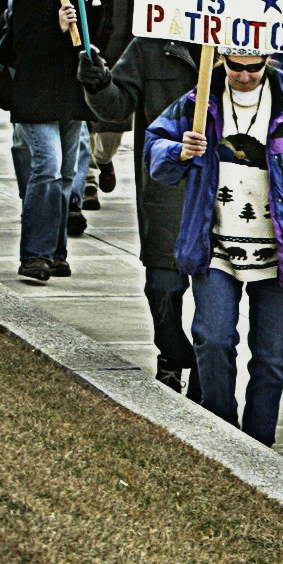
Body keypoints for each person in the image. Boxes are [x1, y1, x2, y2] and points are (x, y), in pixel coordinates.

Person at [145, 51, 283, 447]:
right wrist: (179, 151)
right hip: (214, 246)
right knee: (213, 339)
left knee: (271, 359)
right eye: (234, 66)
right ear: (222, 58)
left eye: (253, 67)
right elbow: (155, 151)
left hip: (280, 252)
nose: (243, 75)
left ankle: (259, 445)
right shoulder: (197, 102)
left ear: (268, 61)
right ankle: (221, 436)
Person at [78, 34, 206, 398]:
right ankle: (172, 354)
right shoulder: (150, 46)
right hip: (167, 192)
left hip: (227, 193)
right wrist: (98, 82)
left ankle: (205, 376)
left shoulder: (241, 44)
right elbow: (115, 107)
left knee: (216, 305)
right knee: (163, 288)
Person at [12, 0, 105, 282]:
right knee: (48, 169)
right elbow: (20, 48)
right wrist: (58, 27)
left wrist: (93, 14)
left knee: (66, 175)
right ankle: (35, 253)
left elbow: (91, 44)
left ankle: (55, 252)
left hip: (70, 98)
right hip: (38, 99)